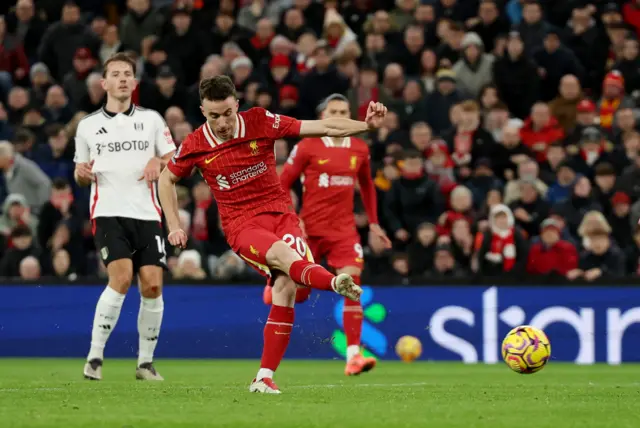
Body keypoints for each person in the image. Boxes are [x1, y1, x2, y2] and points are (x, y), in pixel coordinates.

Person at [158, 75, 388, 393]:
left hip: (282, 216)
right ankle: (335, 282)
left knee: (289, 288)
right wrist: (174, 226)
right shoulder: (196, 144)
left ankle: (263, 377)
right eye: (214, 116)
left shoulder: (260, 120)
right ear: (202, 111)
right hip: (243, 226)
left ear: (236, 104)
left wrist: (366, 126)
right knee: (285, 259)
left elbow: (322, 128)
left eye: (227, 113)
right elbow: (165, 180)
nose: (222, 122)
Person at [73, 53, 176, 381]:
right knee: (120, 278)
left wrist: (157, 163)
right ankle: (95, 356)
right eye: (115, 74)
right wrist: (81, 173)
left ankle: (145, 364)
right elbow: (80, 172)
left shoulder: (153, 120)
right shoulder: (87, 126)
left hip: (147, 214)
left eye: (127, 74)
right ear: (104, 83)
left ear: (134, 82)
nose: (121, 79)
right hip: (108, 213)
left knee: (153, 285)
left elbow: (175, 159)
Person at [276, 93, 391, 376]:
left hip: (343, 231)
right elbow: (282, 184)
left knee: (351, 283)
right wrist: (292, 219)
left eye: (344, 111)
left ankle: (353, 356)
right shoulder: (307, 146)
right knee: (298, 295)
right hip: (309, 231)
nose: (340, 116)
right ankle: (273, 288)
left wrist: (374, 223)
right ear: (323, 116)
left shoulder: (360, 148)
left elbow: (367, 186)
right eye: (334, 111)